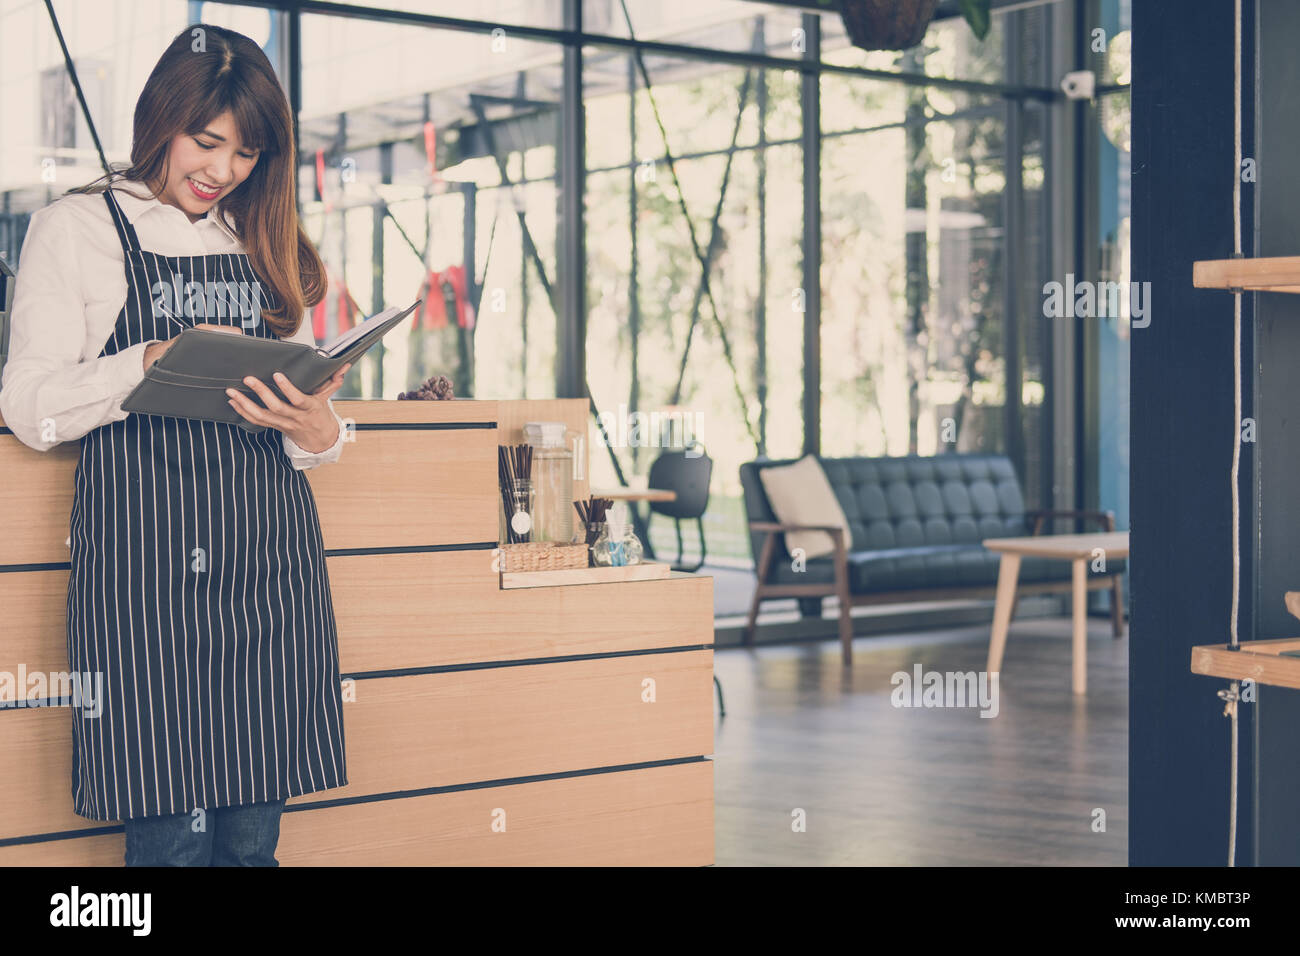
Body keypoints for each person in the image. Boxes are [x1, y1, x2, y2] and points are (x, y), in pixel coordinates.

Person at [0, 24, 351, 866]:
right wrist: (146, 361)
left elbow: (308, 429)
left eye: (247, 153)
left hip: (268, 567)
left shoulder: (252, 239)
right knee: (171, 851)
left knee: (250, 848)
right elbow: (29, 410)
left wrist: (317, 430)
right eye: (207, 141)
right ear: (163, 116)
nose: (223, 170)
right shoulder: (76, 229)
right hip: (149, 580)